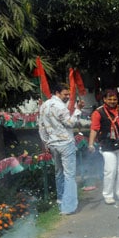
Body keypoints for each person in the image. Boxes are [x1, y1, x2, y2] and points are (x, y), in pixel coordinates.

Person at [37, 83, 85, 215]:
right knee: (69, 174)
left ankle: (60, 201)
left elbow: (41, 126)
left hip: (53, 144)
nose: (67, 96)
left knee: (58, 173)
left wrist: (46, 142)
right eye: (65, 94)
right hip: (65, 143)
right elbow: (71, 123)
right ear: (57, 92)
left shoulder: (44, 106)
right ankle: (68, 207)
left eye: (68, 94)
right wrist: (78, 110)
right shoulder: (60, 106)